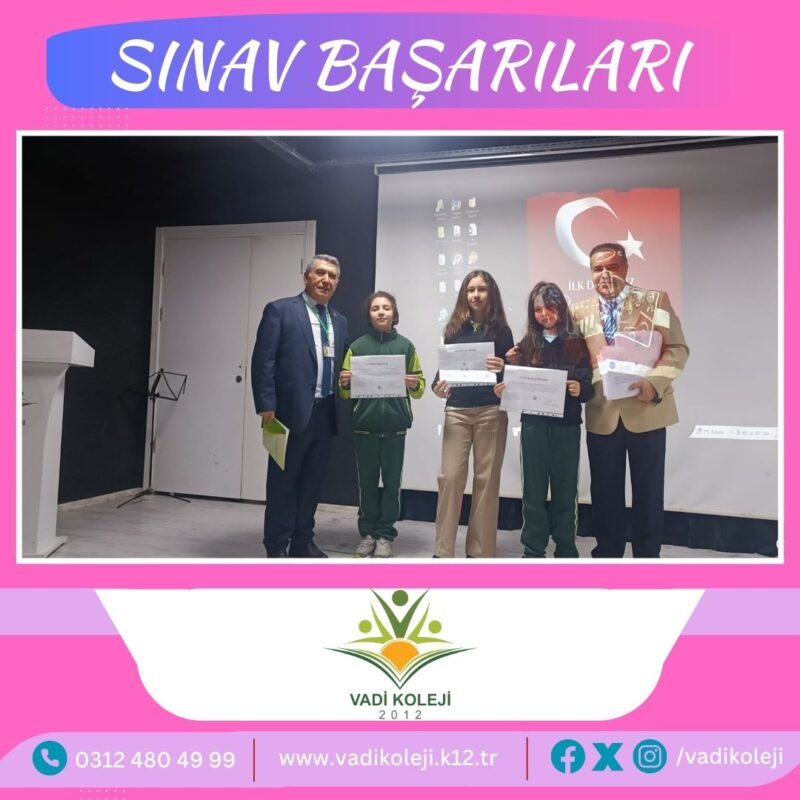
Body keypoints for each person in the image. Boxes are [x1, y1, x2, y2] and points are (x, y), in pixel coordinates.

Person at [571, 243, 689, 558]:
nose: (605, 274)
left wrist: (654, 383)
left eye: (612, 267)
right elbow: (567, 356)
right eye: (598, 269)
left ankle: (647, 561)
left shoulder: (654, 300)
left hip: (647, 410)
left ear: (626, 268)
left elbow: (678, 348)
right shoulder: (578, 311)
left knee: (648, 494)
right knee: (605, 494)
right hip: (602, 413)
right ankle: (608, 557)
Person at [251, 254, 349, 558]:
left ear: (337, 283)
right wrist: (266, 404)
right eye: (320, 273)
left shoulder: (339, 321)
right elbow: (263, 360)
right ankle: (276, 545)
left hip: (326, 412)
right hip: (288, 413)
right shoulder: (280, 310)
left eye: (332, 276)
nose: (326, 280)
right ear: (307, 277)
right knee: (283, 484)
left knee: (312, 484)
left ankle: (302, 541)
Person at [499, 282, 593, 558]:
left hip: (567, 427)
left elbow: (589, 386)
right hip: (534, 427)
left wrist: (579, 389)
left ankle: (566, 548)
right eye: (538, 309)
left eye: (550, 307)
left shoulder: (577, 343)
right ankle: (533, 549)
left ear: (561, 307)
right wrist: (508, 373)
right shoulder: (527, 344)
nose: (544, 314)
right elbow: (516, 384)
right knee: (533, 491)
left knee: (566, 490)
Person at [432, 270, 513, 558]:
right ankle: (443, 552)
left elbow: (510, 375)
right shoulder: (453, 329)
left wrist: (502, 367)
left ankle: (480, 553)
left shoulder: (502, 331)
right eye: (471, 290)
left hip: (491, 410)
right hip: (457, 411)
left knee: (486, 481)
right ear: (464, 294)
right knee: (450, 478)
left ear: (491, 294)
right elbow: (444, 372)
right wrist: (437, 386)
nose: (476, 295)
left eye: (482, 289)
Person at [339, 292, 425, 558]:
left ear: (394, 313)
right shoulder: (357, 347)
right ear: (369, 314)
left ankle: (386, 535)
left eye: (386, 307)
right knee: (366, 485)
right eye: (375, 308)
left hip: (395, 427)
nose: (381, 312)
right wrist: (344, 382)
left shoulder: (406, 347)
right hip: (364, 427)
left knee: (391, 484)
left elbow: (420, 389)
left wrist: (414, 384)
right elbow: (344, 392)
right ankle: (368, 534)